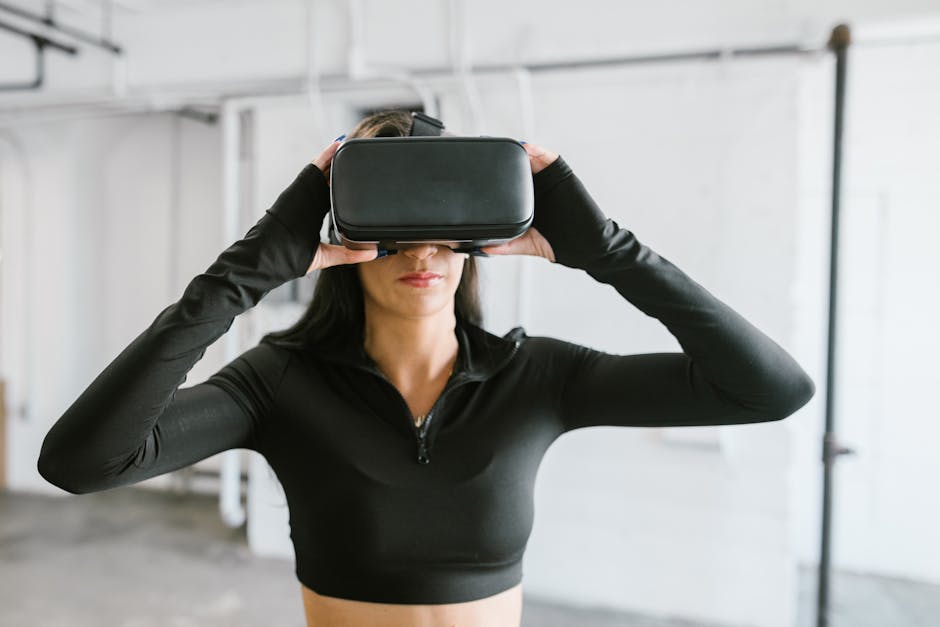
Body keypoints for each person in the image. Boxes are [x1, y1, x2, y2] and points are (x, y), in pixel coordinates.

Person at [37, 109, 816, 627]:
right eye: (394, 228)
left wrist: (612, 252)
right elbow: (81, 461)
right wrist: (244, 274)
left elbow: (771, 388)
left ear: (471, 238)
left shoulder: (535, 375)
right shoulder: (279, 383)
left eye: (443, 228)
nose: (421, 253)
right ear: (348, 239)